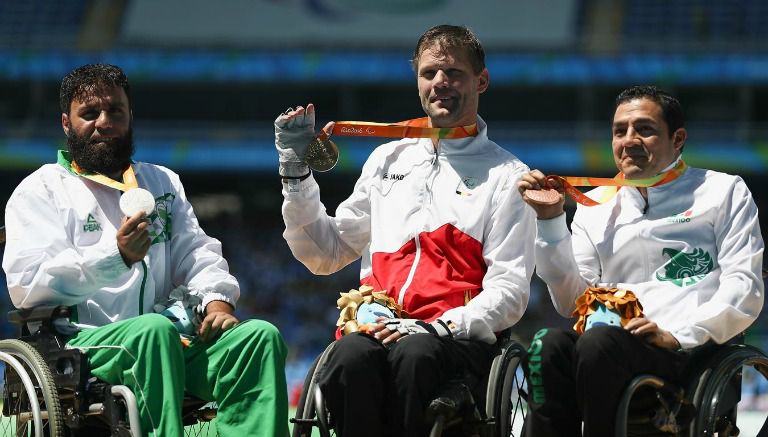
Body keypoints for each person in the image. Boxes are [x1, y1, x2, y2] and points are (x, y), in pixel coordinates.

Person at [274, 24, 535, 436]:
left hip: (453, 340)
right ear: (417, 81)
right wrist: (296, 173)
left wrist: (439, 326)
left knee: (415, 353)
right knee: (348, 356)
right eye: (429, 73)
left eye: (453, 73)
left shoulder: (508, 176)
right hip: (376, 326)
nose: (440, 83)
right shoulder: (386, 158)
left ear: (481, 81)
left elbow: (510, 291)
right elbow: (326, 252)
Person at [2, 64, 288, 436]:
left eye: (115, 112)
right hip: (80, 342)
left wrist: (216, 300)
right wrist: (114, 256)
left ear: (130, 117)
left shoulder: (161, 182)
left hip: (170, 339)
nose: (104, 122)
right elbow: (28, 285)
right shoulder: (40, 190)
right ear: (66, 124)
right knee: (153, 333)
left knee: (258, 338)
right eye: (89, 114)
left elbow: (196, 253)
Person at [517, 85, 765, 436]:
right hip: (607, 348)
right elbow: (572, 302)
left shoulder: (723, 191)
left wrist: (677, 335)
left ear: (677, 138)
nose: (629, 140)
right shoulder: (595, 206)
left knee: (596, 344)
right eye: (620, 131)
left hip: (686, 353)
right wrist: (550, 220)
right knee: (549, 344)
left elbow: (745, 287)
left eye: (644, 129)